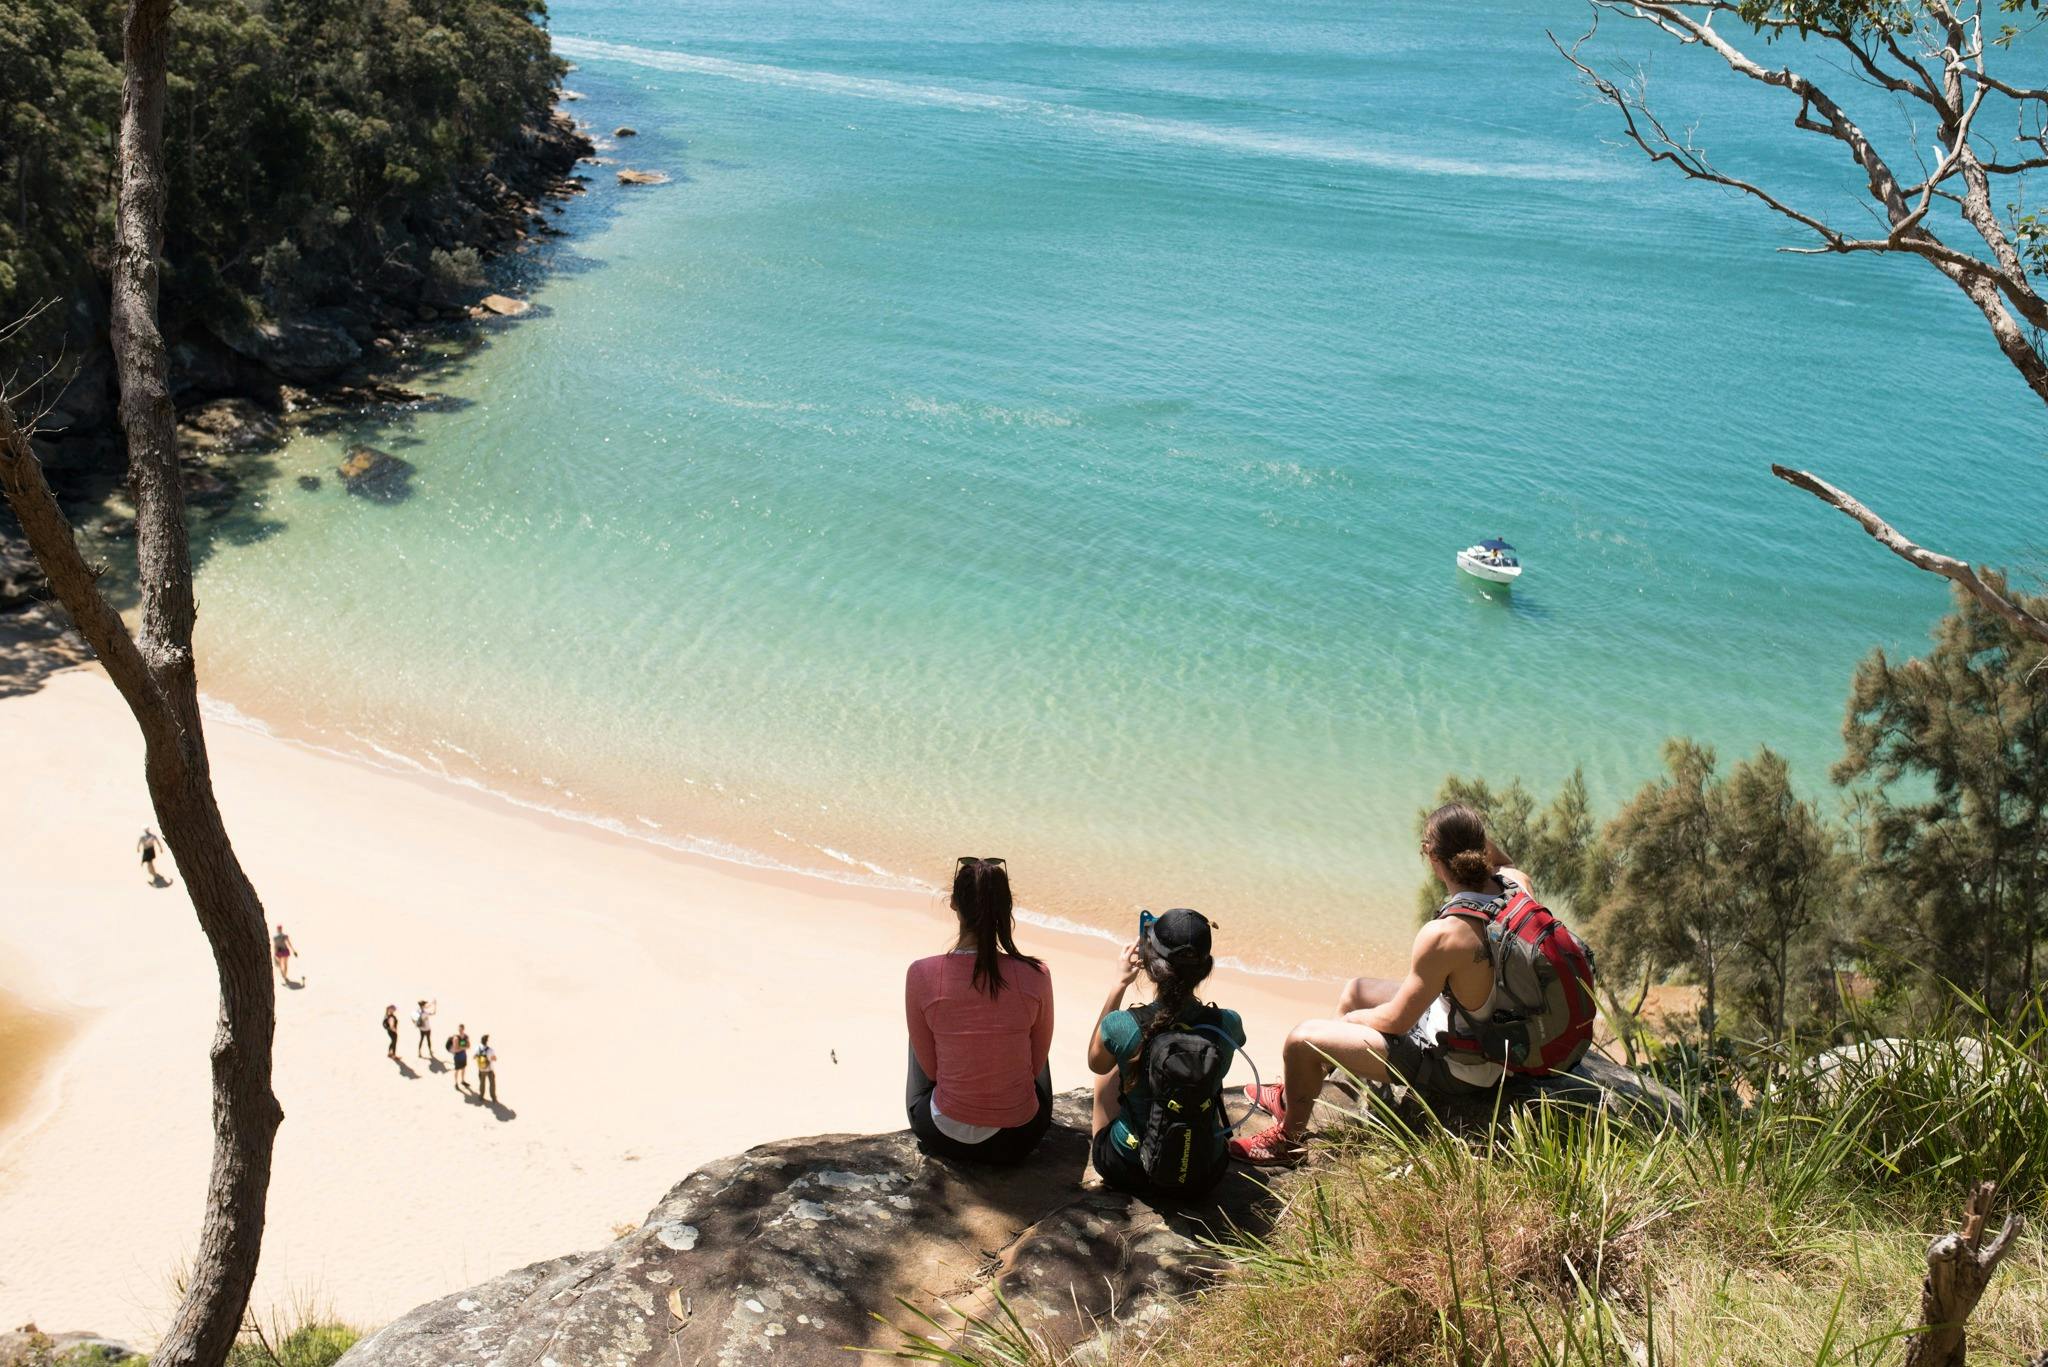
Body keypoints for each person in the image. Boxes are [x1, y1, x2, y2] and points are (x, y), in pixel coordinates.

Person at [1230, 803, 1527, 1166]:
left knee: (1301, 1040)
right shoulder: (1517, 888)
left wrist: (1354, 1022)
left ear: (1432, 858)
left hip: (1461, 1064)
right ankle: (1301, 1093)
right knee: (1355, 990)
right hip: (1502, 1038)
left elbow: (1398, 1023)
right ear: (1481, 846)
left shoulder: (1445, 934)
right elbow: (1506, 862)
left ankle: (1289, 1140)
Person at [903, 856, 1055, 1164]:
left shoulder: (921, 974)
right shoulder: (1037, 974)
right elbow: (1035, 1067)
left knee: (925, 1030)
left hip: (944, 1135)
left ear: (953, 905)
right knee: (1030, 1034)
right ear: (1007, 908)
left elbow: (932, 1072)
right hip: (1019, 1137)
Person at [1088, 908, 1245, 1198]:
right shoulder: (1228, 1023)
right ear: (1205, 968)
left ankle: (1101, 1169)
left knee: (1110, 1068)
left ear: (1150, 965)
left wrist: (1119, 984)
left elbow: (1096, 1063)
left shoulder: (1121, 1025)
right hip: (1204, 1172)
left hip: (1129, 1170)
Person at [475, 1035, 498, 1102]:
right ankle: (493, 1097)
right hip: (489, 1069)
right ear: (486, 1041)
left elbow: (474, 1057)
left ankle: (481, 1096)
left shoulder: (477, 1048)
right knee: (492, 1084)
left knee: (482, 1083)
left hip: (481, 1069)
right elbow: (494, 1059)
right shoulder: (490, 1050)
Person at [450, 1024, 472, 1090]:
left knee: (463, 1068)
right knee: (457, 1070)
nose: (460, 1031)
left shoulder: (466, 1037)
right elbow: (455, 1049)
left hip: (463, 1055)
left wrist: (462, 1048)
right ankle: (456, 1083)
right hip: (457, 1056)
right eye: (459, 1029)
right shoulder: (456, 1038)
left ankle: (462, 1081)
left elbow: (469, 1046)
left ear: (463, 1029)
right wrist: (463, 1048)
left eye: (461, 1029)